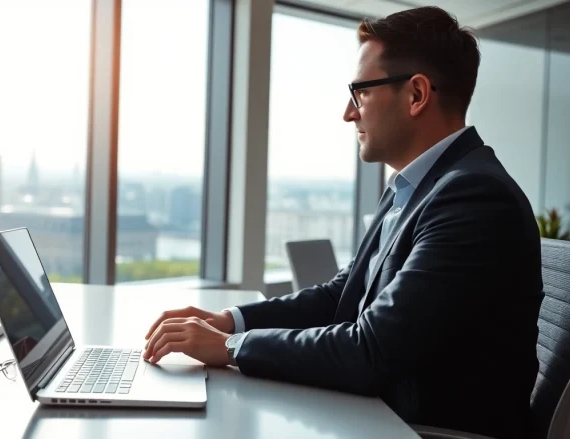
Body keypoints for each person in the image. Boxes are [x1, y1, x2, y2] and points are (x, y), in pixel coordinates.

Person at [142, 6, 543, 439]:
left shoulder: (474, 199)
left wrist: (229, 348)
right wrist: (231, 321)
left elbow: (371, 351)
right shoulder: (414, 187)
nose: (348, 114)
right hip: (377, 414)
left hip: (417, 429)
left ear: (416, 95)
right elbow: (341, 296)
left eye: (359, 93)